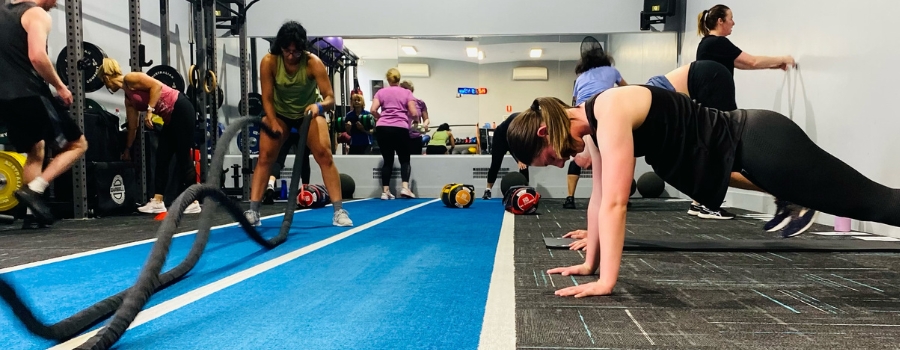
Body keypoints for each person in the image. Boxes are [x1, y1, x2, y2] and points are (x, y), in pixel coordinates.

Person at [506, 85, 900, 298]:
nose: (559, 165)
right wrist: (590, 263)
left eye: (548, 158)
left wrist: (607, 281)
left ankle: (795, 196)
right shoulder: (593, 120)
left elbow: (615, 201)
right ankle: (791, 197)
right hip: (746, 153)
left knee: (877, 204)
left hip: (760, 141)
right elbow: (598, 198)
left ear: (545, 132)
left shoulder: (608, 111)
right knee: (867, 202)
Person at [696, 4, 810, 231]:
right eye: (730, 19)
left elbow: (740, 63)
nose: (733, 23)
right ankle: (785, 194)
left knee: (725, 165)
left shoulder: (707, 46)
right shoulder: (717, 43)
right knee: (729, 166)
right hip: (722, 117)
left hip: (715, 116)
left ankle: (705, 202)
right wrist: (783, 58)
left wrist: (774, 65)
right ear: (720, 21)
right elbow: (751, 61)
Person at [244, 21, 352, 227]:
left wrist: (318, 107)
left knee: (324, 155)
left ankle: (339, 212)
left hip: (308, 114)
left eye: (296, 51)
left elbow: (330, 98)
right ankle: (253, 211)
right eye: (287, 51)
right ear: (280, 47)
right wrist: (273, 121)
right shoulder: (270, 62)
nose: (292, 55)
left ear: (303, 48)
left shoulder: (313, 63)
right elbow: (266, 97)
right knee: (265, 157)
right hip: (279, 114)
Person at [1, 0, 88, 228]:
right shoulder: (35, 13)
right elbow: (37, 56)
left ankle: (31, 214)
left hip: (4, 99)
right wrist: (60, 86)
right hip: (29, 93)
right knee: (78, 145)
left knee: (35, 147)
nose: (56, 4)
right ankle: (34, 189)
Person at [99, 58, 202, 215]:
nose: (106, 86)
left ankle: (193, 201)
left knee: (183, 156)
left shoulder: (130, 78)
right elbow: (133, 127)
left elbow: (157, 86)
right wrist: (127, 149)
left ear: (106, 77)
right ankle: (158, 201)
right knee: (161, 158)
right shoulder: (128, 99)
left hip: (181, 108)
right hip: (170, 118)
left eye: (104, 81)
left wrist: (149, 111)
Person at [565, 48, 627, 209]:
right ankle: (615, 197)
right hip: (603, 111)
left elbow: (576, 101)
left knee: (580, 160)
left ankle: (570, 197)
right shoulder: (612, 71)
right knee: (610, 158)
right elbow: (626, 90)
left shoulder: (581, 78)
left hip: (585, 114)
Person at [370, 68, 418, 200]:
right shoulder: (407, 92)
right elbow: (414, 113)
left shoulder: (380, 92)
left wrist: (381, 118)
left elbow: (373, 110)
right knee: (404, 159)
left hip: (383, 128)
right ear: (399, 78)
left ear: (388, 79)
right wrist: (412, 119)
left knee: (388, 160)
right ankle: (405, 187)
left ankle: (385, 192)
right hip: (400, 127)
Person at [481, 114, 528, 200]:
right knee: (495, 164)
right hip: (500, 138)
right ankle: (488, 190)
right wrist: (519, 158)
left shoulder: (531, 125)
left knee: (524, 164)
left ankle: (524, 191)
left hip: (513, 140)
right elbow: (513, 140)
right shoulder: (519, 120)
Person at [400, 80, 429, 156]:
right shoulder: (398, 103)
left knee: (416, 159)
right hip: (401, 135)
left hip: (415, 136)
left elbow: (426, 119)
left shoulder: (420, 103)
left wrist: (425, 124)